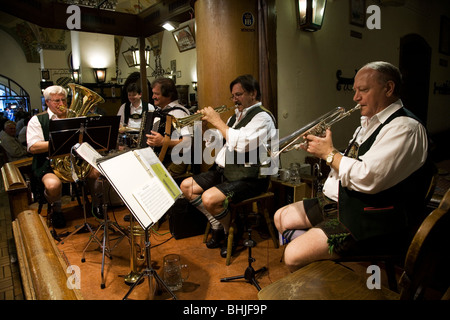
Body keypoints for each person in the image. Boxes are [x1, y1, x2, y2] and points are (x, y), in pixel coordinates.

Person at [274, 61, 433, 272]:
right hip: (342, 204)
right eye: (355, 90)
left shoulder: (405, 128)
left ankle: (316, 276)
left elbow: (368, 176)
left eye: (363, 90)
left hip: (373, 219)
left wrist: (329, 154)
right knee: (280, 217)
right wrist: (320, 150)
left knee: (294, 255)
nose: (355, 98)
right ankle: (318, 273)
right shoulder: (366, 124)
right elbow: (350, 163)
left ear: (388, 88)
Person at [180, 74, 277, 258]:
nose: (234, 100)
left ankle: (231, 230)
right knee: (186, 187)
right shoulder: (236, 117)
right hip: (227, 171)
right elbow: (220, 144)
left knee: (209, 199)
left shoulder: (262, 118)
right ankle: (217, 223)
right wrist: (205, 127)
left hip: (252, 177)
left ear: (253, 93)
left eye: (239, 95)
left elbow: (242, 144)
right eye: (233, 96)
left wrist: (217, 120)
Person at [27, 85, 102, 228]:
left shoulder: (74, 117)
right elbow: (33, 147)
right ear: (47, 102)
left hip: (75, 161)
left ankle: (96, 204)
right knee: (53, 185)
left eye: (64, 100)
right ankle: (57, 210)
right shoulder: (37, 120)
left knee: (98, 172)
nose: (61, 104)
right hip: (48, 164)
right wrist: (60, 142)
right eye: (56, 101)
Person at [146, 77, 191, 177]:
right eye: (153, 93)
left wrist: (163, 142)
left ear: (169, 95)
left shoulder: (178, 113)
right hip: (164, 159)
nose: (153, 97)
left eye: (156, 94)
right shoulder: (160, 111)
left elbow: (187, 142)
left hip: (175, 160)